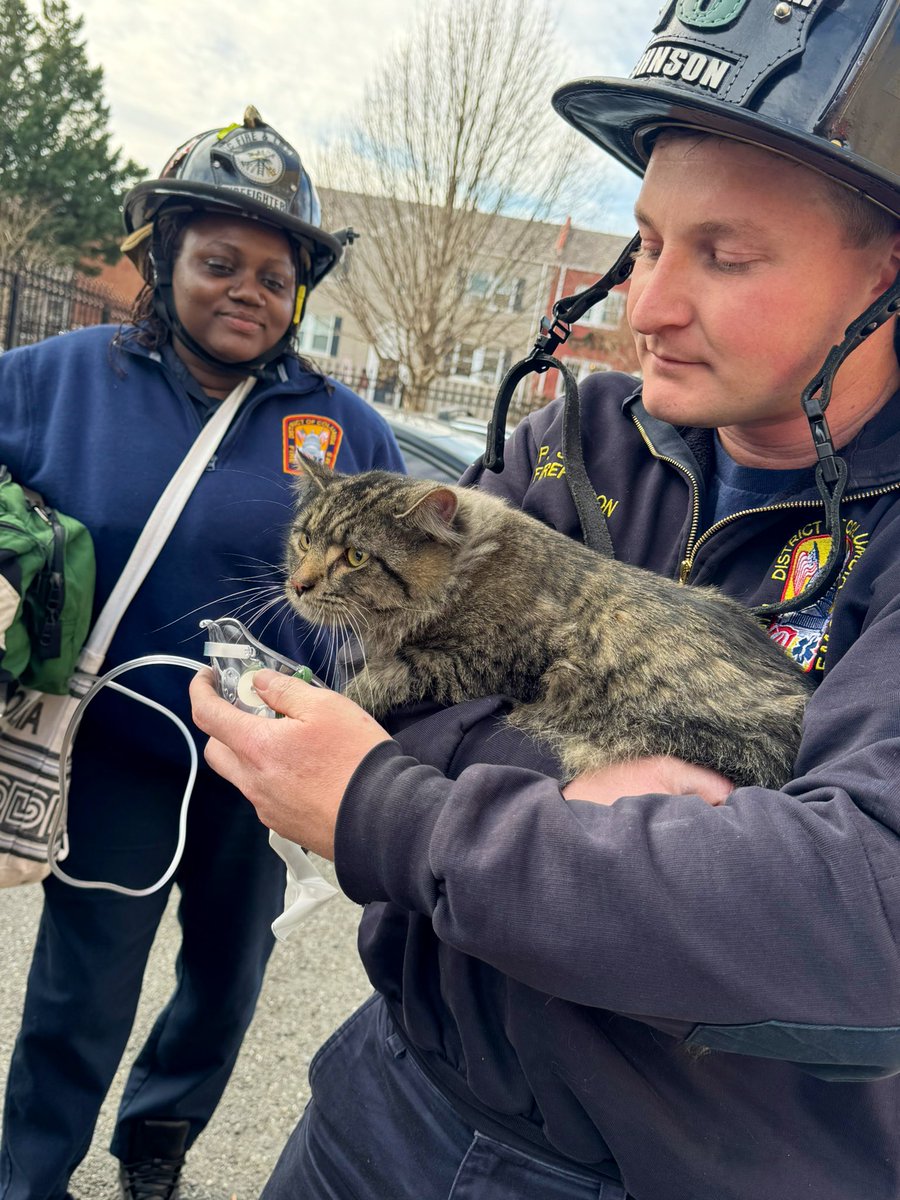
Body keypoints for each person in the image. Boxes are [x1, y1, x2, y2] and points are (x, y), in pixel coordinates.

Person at [191, 4, 900, 1198]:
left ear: (887, 276)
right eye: (647, 242)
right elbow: (393, 680)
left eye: (724, 256)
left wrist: (386, 809)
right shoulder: (578, 436)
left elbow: (857, 916)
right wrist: (617, 820)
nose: (650, 307)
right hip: (397, 1092)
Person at [0, 108, 404, 1200]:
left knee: (225, 988)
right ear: (164, 257)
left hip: (267, 769)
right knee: (81, 997)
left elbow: (408, 586)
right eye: (218, 263)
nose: (248, 293)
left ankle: (155, 1150)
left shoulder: (344, 429)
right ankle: (28, 1179)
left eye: (275, 278)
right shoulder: (65, 377)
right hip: (122, 760)